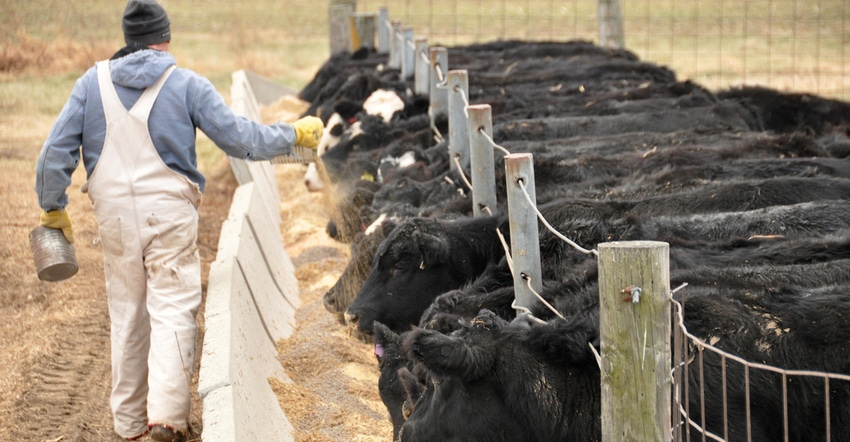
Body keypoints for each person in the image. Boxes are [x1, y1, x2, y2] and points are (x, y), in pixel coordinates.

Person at [33, 0, 323, 440]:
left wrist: (53, 207)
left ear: (127, 39)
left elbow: (54, 152)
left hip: (114, 219)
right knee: (170, 309)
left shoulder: (90, 84)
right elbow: (240, 139)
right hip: (169, 215)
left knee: (128, 314)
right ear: (165, 38)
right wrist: (292, 134)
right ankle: (165, 419)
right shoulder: (186, 83)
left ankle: (128, 425)